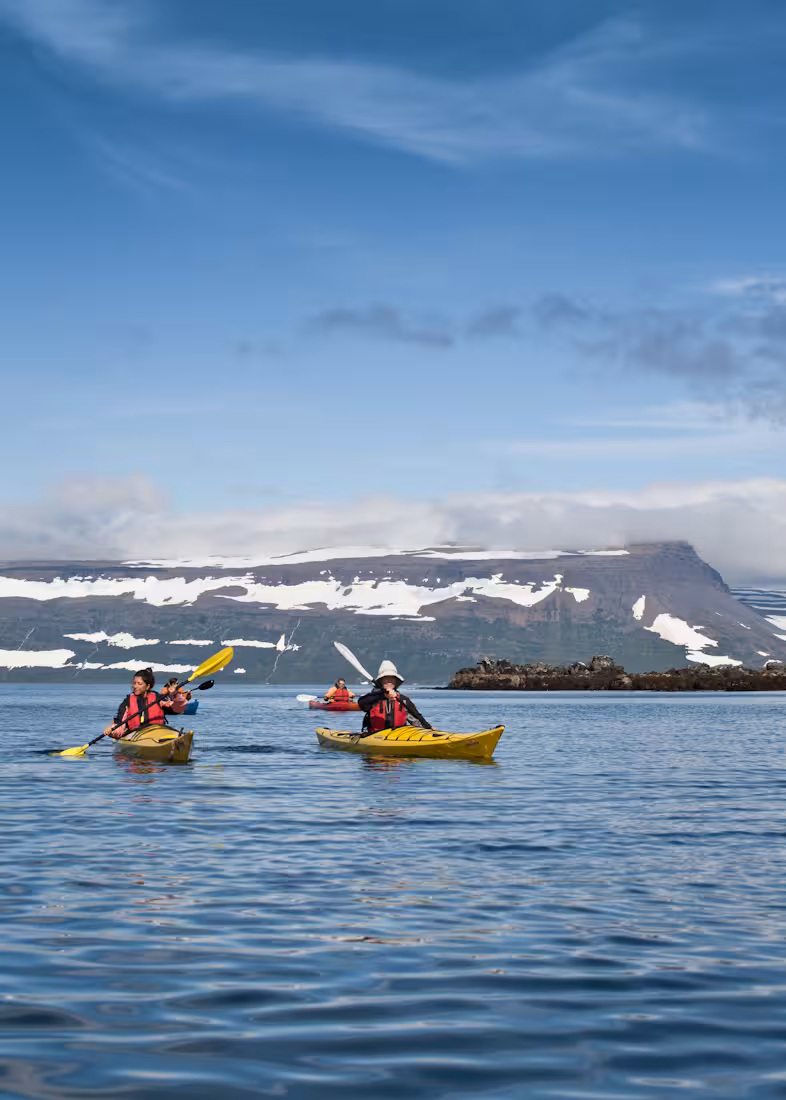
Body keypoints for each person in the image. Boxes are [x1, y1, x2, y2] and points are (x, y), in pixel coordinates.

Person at [104, 668, 183, 740]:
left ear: (147, 686)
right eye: (134, 683)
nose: (135, 686)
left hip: (158, 733)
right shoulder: (127, 702)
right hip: (136, 735)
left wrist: (176, 694)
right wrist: (111, 730)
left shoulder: (158, 699)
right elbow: (119, 722)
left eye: (139, 684)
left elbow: (178, 709)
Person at [357, 660, 432, 735]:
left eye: (392, 678)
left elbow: (416, 717)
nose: (389, 680)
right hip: (375, 736)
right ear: (381, 681)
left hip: (398, 736)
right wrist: (383, 695)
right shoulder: (372, 698)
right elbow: (361, 703)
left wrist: (428, 729)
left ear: (396, 681)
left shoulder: (403, 700)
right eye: (386, 678)